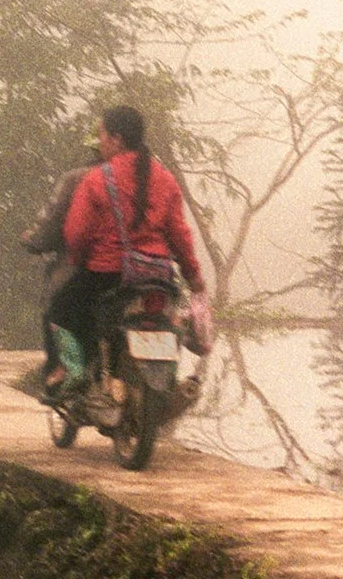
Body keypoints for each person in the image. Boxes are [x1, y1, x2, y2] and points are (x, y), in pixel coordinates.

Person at [46, 104, 206, 395]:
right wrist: (193, 274)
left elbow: (76, 232)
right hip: (158, 276)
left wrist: (81, 262)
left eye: (103, 135)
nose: (101, 142)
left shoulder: (96, 179)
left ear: (117, 139)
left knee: (59, 309)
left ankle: (73, 369)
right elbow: (179, 233)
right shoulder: (166, 179)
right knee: (170, 321)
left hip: (107, 273)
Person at [22, 149, 97, 389]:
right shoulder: (150, 175)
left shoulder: (80, 179)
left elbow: (56, 224)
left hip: (90, 264)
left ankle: (62, 368)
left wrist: (34, 240)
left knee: (55, 309)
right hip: (148, 269)